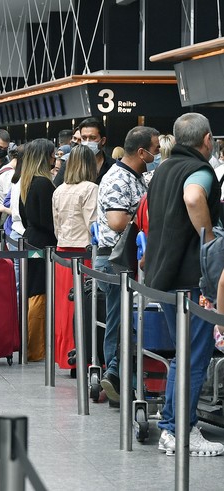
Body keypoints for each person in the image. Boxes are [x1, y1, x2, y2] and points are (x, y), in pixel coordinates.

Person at [144, 113, 224, 457]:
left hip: (162, 275)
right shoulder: (200, 171)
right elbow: (193, 198)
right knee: (193, 356)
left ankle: (173, 427)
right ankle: (179, 430)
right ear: (207, 140)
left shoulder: (162, 169)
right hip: (191, 279)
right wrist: (208, 242)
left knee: (183, 355)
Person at [95, 126, 158, 403]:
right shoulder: (118, 179)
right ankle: (114, 376)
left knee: (123, 320)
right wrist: (142, 214)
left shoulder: (136, 177)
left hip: (126, 258)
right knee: (118, 320)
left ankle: (118, 376)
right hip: (114, 259)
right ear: (141, 151)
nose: (156, 153)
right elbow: (117, 221)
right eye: (154, 149)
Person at [51, 144, 98, 371]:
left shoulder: (59, 189)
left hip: (62, 253)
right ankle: (84, 356)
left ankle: (66, 356)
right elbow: (94, 225)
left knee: (64, 308)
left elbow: (57, 226)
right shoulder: (91, 188)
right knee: (84, 307)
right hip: (84, 255)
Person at [18, 139, 58, 362]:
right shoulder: (44, 184)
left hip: (30, 240)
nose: (55, 158)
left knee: (31, 292)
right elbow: (48, 220)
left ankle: (31, 345)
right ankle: (37, 348)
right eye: (53, 154)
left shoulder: (27, 181)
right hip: (43, 244)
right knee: (40, 294)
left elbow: (25, 218)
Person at [55, 118, 115, 186]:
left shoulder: (113, 166)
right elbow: (55, 190)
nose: (87, 142)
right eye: (84, 138)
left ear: (103, 140)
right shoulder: (70, 164)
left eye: (92, 138)